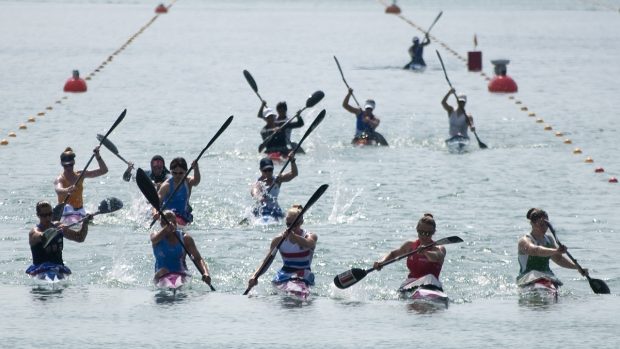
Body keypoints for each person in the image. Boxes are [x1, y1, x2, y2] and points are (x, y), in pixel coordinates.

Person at [247, 204, 317, 289]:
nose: (290, 227)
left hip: (304, 276)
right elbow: (266, 261)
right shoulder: (278, 240)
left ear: (301, 223)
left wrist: (293, 237)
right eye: (288, 224)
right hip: (284, 276)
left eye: (294, 225)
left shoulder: (310, 236)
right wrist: (255, 276)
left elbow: (309, 243)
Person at [373, 213, 446, 291]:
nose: (424, 236)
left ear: (433, 233)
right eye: (421, 232)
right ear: (417, 230)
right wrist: (381, 262)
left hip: (432, 284)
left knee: (430, 277)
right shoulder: (410, 246)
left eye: (428, 233)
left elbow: (437, 257)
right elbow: (393, 254)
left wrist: (425, 252)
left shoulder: (439, 248)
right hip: (411, 284)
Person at [517, 208, 588, 286]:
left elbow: (559, 259)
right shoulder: (524, 241)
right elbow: (535, 250)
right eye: (541, 224)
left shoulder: (549, 240)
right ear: (532, 224)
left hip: (547, 276)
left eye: (546, 224)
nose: (544, 227)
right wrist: (556, 250)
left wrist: (577, 267)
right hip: (527, 277)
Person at [25, 200, 93, 277]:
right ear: (38, 215)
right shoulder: (34, 232)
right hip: (40, 269)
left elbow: (80, 238)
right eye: (44, 215)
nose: (48, 218)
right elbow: (43, 236)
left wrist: (85, 223)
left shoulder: (59, 226)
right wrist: (55, 230)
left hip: (58, 268)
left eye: (50, 214)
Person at [151, 210, 211, 285]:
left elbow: (198, 258)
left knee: (181, 279)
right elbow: (154, 239)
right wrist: (166, 229)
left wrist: (205, 273)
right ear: (162, 224)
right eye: (168, 223)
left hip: (181, 275)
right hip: (161, 275)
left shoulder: (185, 238)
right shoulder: (155, 236)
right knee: (163, 271)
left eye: (174, 223)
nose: (173, 225)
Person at [54, 146, 108, 223]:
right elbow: (58, 190)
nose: (69, 168)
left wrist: (98, 157)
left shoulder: (80, 174)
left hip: (80, 210)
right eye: (66, 166)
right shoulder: (60, 179)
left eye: (71, 165)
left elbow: (104, 170)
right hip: (66, 212)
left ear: (74, 163)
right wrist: (67, 190)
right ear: (62, 164)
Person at [251, 154, 297, 219]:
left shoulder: (278, 179)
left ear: (273, 168)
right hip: (262, 211)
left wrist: (292, 161)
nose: (268, 172)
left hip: (275, 210)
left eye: (270, 170)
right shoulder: (258, 183)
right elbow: (254, 192)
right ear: (260, 170)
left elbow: (294, 174)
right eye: (265, 170)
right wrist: (259, 197)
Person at [156, 157, 200, 226]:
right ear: (170, 172)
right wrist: (156, 213)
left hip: (183, 215)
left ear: (186, 171)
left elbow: (196, 181)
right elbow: (156, 203)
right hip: (168, 215)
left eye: (180, 173)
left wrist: (196, 168)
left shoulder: (188, 182)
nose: (177, 175)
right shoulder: (166, 186)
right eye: (174, 173)